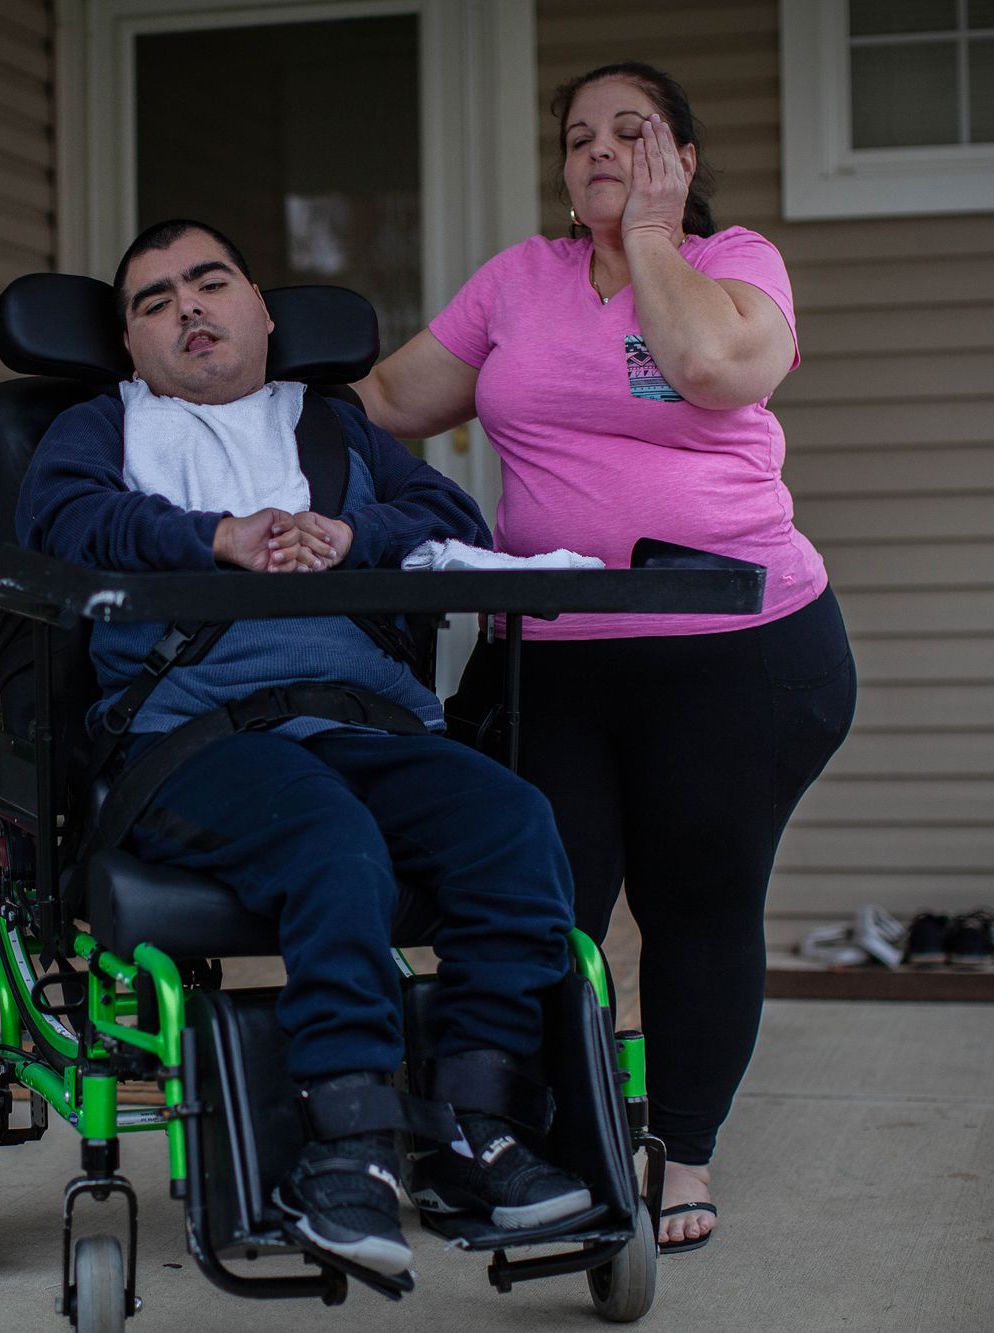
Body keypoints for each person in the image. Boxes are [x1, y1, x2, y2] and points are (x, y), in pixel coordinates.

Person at [16, 219, 591, 1277]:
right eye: (153, 302)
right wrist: (215, 539)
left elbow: (444, 510)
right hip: (193, 738)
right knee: (330, 840)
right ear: (133, 348)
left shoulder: (330, 429)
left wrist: (347, 538)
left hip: (363, 722)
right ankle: (349, 1145)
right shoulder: (101, 431)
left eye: (209, 282)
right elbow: (61, 521)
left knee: (510, 819)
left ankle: (475, 1127)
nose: (187, 308)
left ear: (261, 311)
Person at [351, 63, 857, 1254]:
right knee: (539, 901)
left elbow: (710, 370)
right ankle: (532, 1132)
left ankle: (682, 1152)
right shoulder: (515, 283)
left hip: (738, 654)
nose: (596, 151)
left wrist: (649, 236)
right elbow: (385, 399)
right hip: (555, 658)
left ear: (678, 154)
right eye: (578, 137)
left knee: (694, 903)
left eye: (629, 133)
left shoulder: (734, 264)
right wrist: (211, 400)